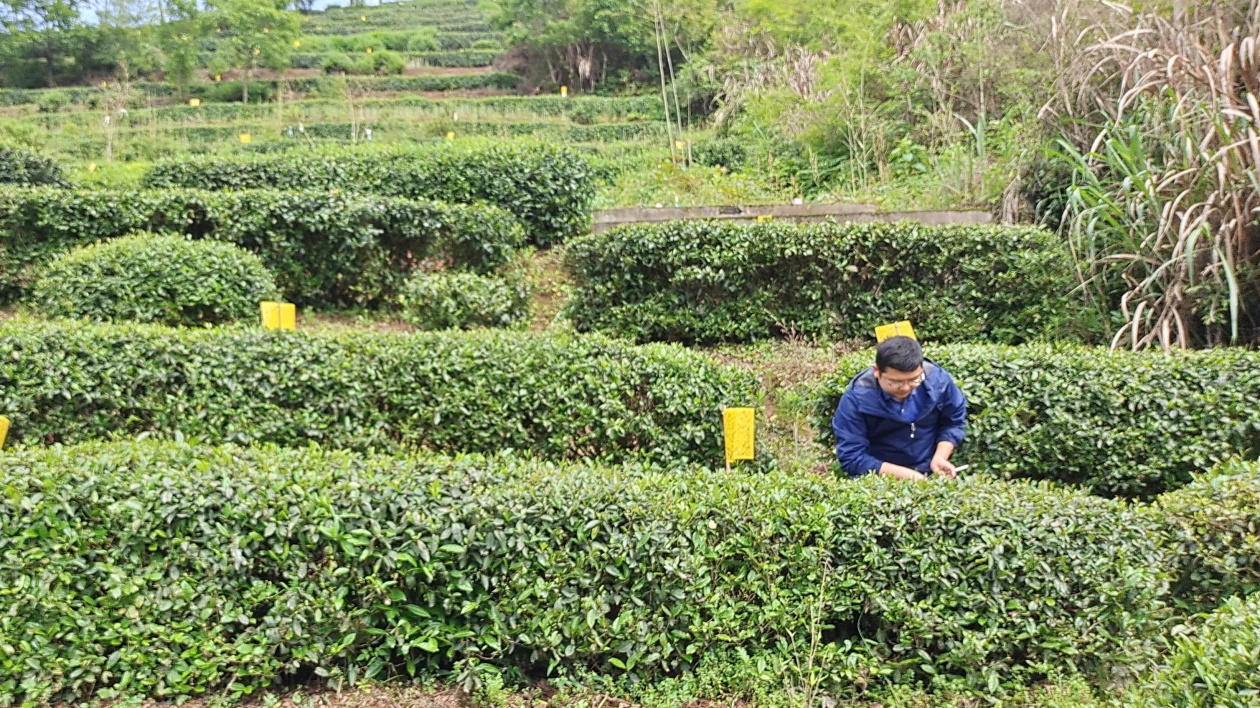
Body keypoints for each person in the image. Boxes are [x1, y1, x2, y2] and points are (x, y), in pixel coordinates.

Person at [831, 336, 967, 481]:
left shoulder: (938, 380)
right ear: (877, 371)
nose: (905, 388)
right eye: (895, 382)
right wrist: (909, 476)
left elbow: (953, 421)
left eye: (914, 379)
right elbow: (852, 457)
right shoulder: (856, 399)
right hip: (880, 478)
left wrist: (940, 457)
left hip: (929, 469)